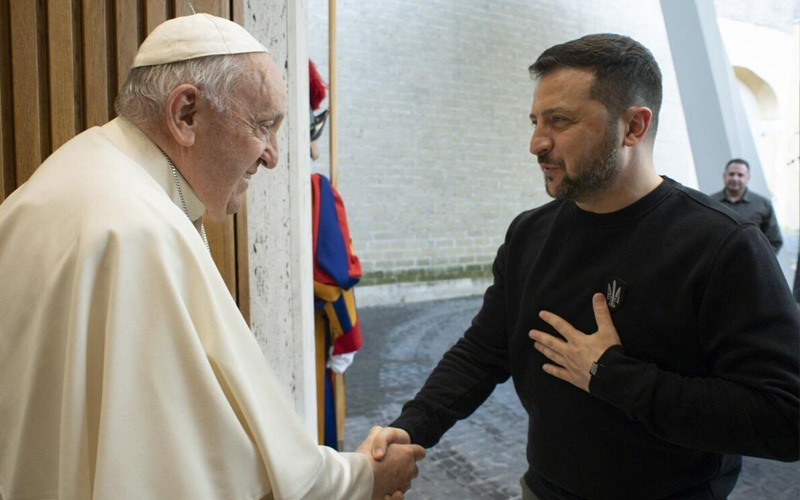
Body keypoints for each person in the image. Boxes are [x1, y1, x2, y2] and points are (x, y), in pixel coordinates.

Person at [0, 13, 424, 500]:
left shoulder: (64, 176)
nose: (272, 156)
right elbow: (204, 470)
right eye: (263, 126)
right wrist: (363, 479)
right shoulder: (141, 233)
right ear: (185, 114)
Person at [382, 33, 800, 500]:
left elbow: (784, 417)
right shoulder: (530, 234)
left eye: (560, 121)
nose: (536, 143)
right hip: (543, 488)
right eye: (536, 121)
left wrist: (615, 377)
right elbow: (483, 352)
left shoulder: (723, 245)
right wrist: (409, 430)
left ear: (633, 127)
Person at [711, 158, 783, 254]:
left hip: (752, 261)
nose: (735, 178)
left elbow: (774, 240)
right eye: (731, 174)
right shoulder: (711, 202)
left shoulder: (763, 204)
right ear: (724, 175)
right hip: (718, 261)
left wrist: (760, 259)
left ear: (748, 177)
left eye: (740, 175)